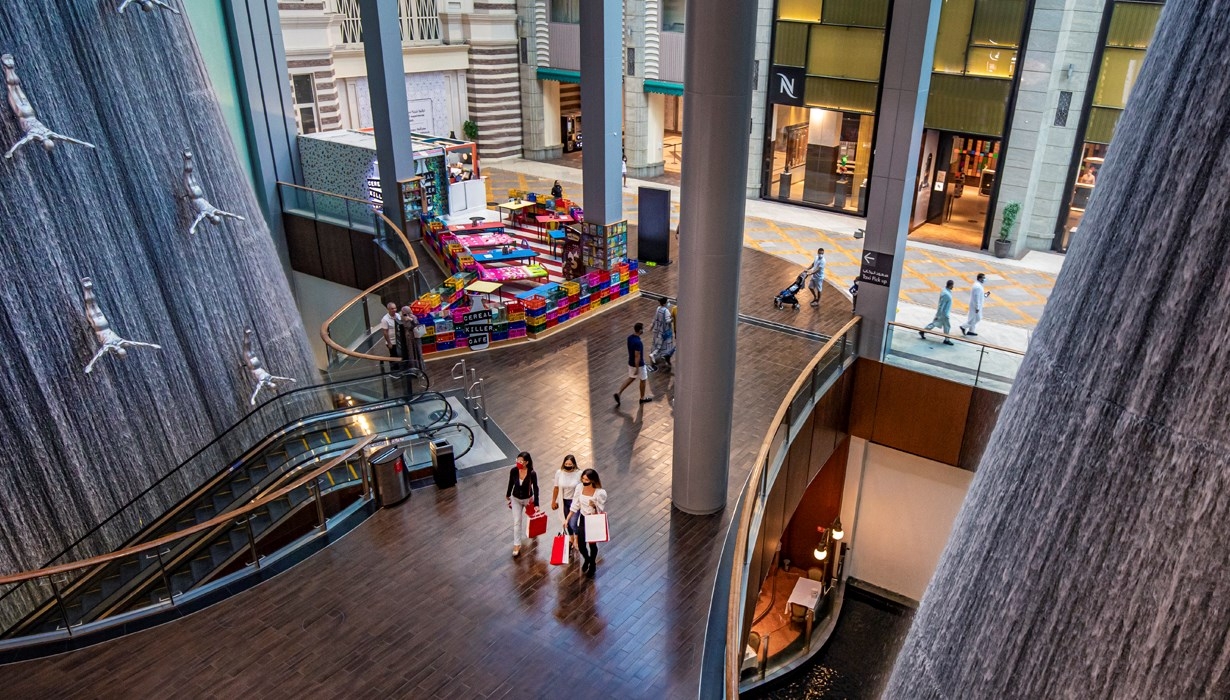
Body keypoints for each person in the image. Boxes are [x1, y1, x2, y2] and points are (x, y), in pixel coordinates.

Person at [568, 468, 608, 576]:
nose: (584, 481)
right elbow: (575, 503)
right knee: (581, 545)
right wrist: (568, 518)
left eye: (587, 479)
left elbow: (600, 508)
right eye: (583, 479)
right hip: (583, 518)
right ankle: (588, 559)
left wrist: (594, 505)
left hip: (593, 519)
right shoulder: (579, 488)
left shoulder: (600, 493)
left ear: (593, 480)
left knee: (592, 544)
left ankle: (592, 564)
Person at [505, 451, 540, 556]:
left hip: (528, 500)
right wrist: (508, 494)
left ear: (526, 462)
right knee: (517, 522)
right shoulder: (514, 471)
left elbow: (536, 488)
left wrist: (537, 504)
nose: (518, 462)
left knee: (532, 517)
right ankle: (517, 544)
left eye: (521, 461)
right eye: (517, 460)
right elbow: (511, 482)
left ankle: (534, 532)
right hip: (515, 499)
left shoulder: (532, 473)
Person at [614, 322, 651, 406]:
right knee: (643, 380)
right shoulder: (638, 343)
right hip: (639, 365)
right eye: (643, 328)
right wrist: (637, 368)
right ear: (640, 330)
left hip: (630, 362)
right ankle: (642, 398)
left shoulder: (629, 338)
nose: (643, 330)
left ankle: (619, 393)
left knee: (631, 378)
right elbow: (637, 356)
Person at [551, 455, 582, 535]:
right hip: (564, 501)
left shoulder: (579, 473)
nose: (568, 466)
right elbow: (556, 488)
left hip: (575, 502)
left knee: (573, 523)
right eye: (566, 464)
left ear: (574, 464)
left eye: (570, 464)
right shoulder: (559, 473)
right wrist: (553, 501)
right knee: (566, 521)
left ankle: (578, 536)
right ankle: (571, 537)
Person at [920, 280, 955, 345]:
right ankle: (946, 340)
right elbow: (941, 305)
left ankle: (923, 331)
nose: (953, 286)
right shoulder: (946, 294)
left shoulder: (945, 290)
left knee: (936, 324)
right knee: (946, 326)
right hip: (944, 314)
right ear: (950, 285)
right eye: (952, 285)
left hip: (943, 314)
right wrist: (938, 315)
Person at [648, 297, 675, 371]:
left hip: (658, 330)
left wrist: (651, 326)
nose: (669, 303)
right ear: (664, 303)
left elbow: (655, 318)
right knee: (664, 345)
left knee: (658, 344)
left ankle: (655, 354)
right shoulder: (666, 311)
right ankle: (659, 355)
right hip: (665, 331)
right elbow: (667, 321)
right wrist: (673, 318)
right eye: (668, 302)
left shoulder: (658, 308)